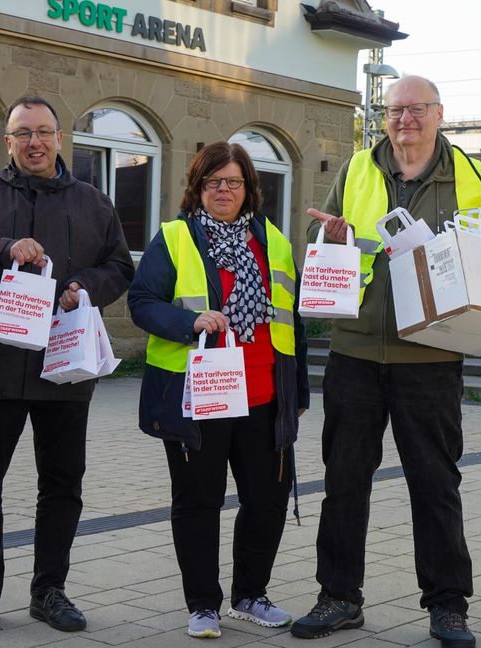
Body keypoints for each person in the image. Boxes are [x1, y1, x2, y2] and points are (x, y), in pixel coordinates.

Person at [292, 75, 481, 648]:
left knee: (436, 484)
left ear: (439, 114)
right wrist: (329, 238)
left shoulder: (470, 173)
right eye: (395, 110)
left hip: (433, 354)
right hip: (355, 352)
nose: (405, 119)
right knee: (344, 483)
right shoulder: (357, 169)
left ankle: (448, 606)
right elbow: (322, 244)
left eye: (417, 109)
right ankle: (338, 597)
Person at [0, 95, 134, 638]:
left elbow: (118, 267)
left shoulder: (94, 202)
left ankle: (49, 590)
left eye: (44, 131)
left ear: (59, 138)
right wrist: (6, 248)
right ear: (7, 141)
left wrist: (83, 288)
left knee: (62, 485)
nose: (35, 142)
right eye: (23, 132)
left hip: (64, 369)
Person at [128, 141, 309, 639]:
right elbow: (141, 301)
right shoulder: (176, 237)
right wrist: (189, 321)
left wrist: (297, 393)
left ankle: (251, 595)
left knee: (267, 502)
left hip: (264, 396)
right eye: (213, 183)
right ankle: (203, 604)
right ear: (198, 188)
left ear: (250, 188)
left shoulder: (272, 240)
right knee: (198, 502)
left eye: (233, 182)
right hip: (199, 396)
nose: (224, 191)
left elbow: (291, 320)